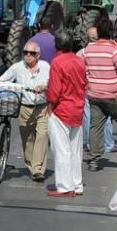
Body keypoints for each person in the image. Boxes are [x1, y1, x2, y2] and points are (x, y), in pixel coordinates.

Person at [0, 41, 51, 182]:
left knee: (42, 136)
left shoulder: (46, 66)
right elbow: (3, 79)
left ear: (38, 55)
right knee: (28, 140)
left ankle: (38, 170)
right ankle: (31, 165)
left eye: (31, 53)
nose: (28, 55)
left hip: (42, 107)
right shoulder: (17, 67)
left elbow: (53, 83)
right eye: (25, 52)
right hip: (24, 107)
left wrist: (44, 87)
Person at [84, 17, 117, 172]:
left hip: (94, 94)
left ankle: (94, 160)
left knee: (95, 126)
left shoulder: (88, 49)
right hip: (111, 95)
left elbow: (84, 70)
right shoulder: (113, 49)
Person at [46, 31, 87, 197]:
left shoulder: (57, 62)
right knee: (75, 150)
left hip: (61, 109)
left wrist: (49, 107)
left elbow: (54, 91)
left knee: (61, 150)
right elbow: (84, 84)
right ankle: (76, 184)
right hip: (77, 108)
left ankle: (65, 186)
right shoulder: (79, 61)